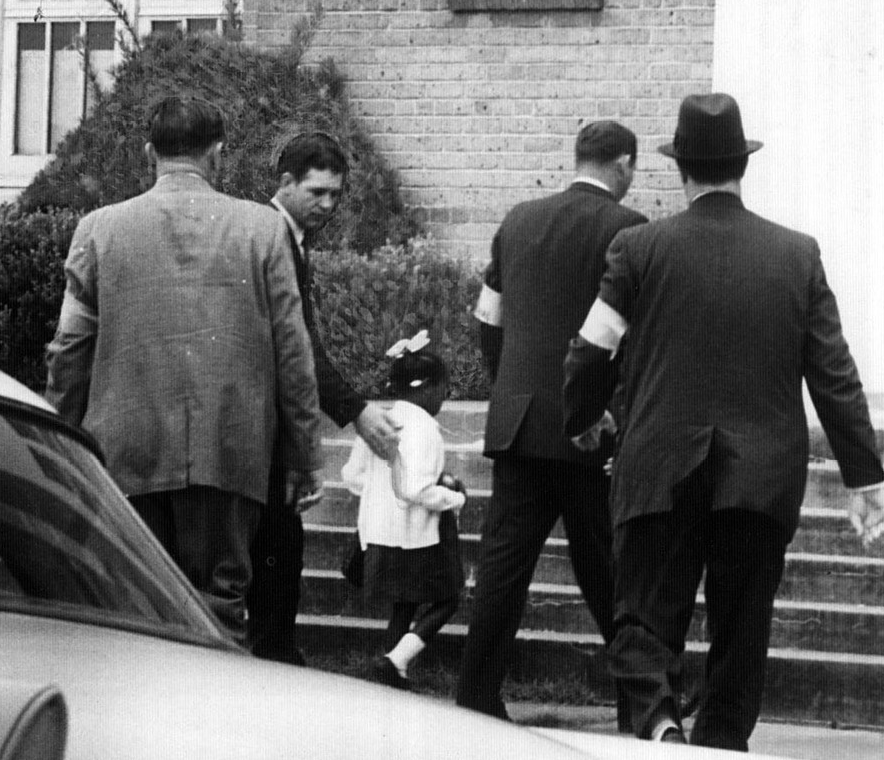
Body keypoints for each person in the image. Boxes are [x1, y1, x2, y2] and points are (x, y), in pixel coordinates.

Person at [561, 92, 884, 749]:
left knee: (639, 617)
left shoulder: (637, 248)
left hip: (658, 466)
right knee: (742, 631)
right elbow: (833, 374)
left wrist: (582, 415)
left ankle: (658, 721)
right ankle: (721, 755)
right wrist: (865, 477)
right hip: (758, 477)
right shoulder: (796, 255)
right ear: (742, 166)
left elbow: (591, 349)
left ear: (680, 170)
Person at [45, 96, 322, 642]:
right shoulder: (265, 230)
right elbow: (293, 350)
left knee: (134, 611)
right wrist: (302, 451)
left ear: (149, 151)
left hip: (125, 451)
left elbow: (69, 349)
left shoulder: (98, 230)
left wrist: (59, 437)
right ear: (217, 155)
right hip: (230, 450)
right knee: (219, 611)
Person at [453, 119, 646, 720]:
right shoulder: (629, 230)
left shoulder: (519, 219)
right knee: (607, 569)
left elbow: (489, 318)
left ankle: (476, 695)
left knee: (502, 571)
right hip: (587, 431)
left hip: (517, 425)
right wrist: (609, 410)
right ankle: (640, 699)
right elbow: (627, 340)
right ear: (625, 164)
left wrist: (509, 386)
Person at [246, 130, 402, 664]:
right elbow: (299, 343)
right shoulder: (273, 237)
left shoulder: (288, 237)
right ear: (285, 182)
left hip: (268, 428)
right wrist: (355, 411)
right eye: (317, 192)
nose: (329, 205)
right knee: (276, 556)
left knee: (278, 555)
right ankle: (275, 663)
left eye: (336, 194)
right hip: (258, 428)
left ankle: (275, 658)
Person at [342, 333, 468, 691]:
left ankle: (390, 670)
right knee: (447, 599)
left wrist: (381, 492)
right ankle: (396, 659)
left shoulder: (379, 418)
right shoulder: (425, 427)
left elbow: (352, 475)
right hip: (414, 537)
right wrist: (453, 498)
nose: (444, 398)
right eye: (443, 389)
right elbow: (415, 488)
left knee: (404, 603)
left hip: (379, 532)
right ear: (427, 388)